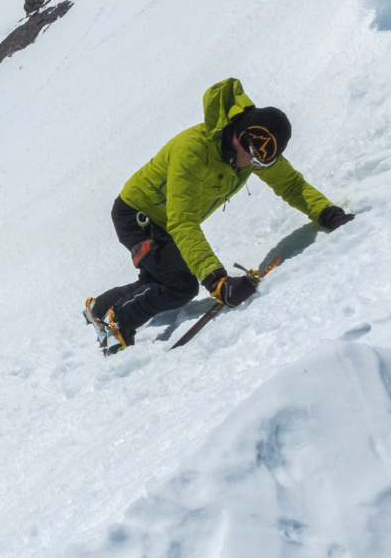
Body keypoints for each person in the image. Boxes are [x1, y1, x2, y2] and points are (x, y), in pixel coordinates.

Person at [85, 78, 355, 352]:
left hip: (168, 219)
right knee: (180, 285)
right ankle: (117, 322)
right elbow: (183, 221)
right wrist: (216, 280)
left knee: (162, 277)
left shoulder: (251, 152)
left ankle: (100, 307)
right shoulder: (194, 151)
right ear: (239, 136)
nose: (254, 165)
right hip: (137, 216)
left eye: (263, 162)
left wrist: (328, 213)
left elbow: (291, 185)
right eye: (254, 157)